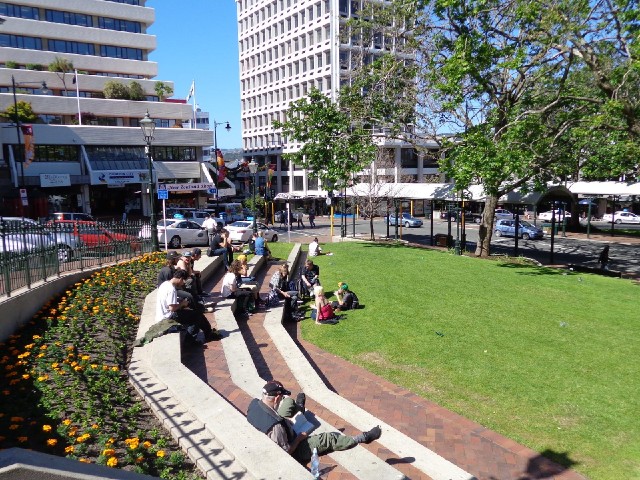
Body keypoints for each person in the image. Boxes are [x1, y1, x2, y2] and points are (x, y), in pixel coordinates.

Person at [247, 380, 381, 464]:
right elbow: (285, 452)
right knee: (329, 438)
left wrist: (284, 422)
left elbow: (272, 420)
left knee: (288, 403)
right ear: (276, 398)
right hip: (294, 450)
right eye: (281, 397)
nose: (282, 399)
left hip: (279, 428)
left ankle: (300, 408)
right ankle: (362, 438)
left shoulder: (254, 404)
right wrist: (299, 439)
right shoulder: (276, 426)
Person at [156, 270, 221, 344]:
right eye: (184, 281)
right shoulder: (171, 290)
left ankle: (208, 333)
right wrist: (182, 304)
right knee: (196, 316)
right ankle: (190, 341)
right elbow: (172, 308)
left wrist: (181, 304)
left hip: (163, 314)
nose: (183, 283)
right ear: (180, 279)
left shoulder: (165, 284)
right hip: (168, 316)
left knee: (196, 313)